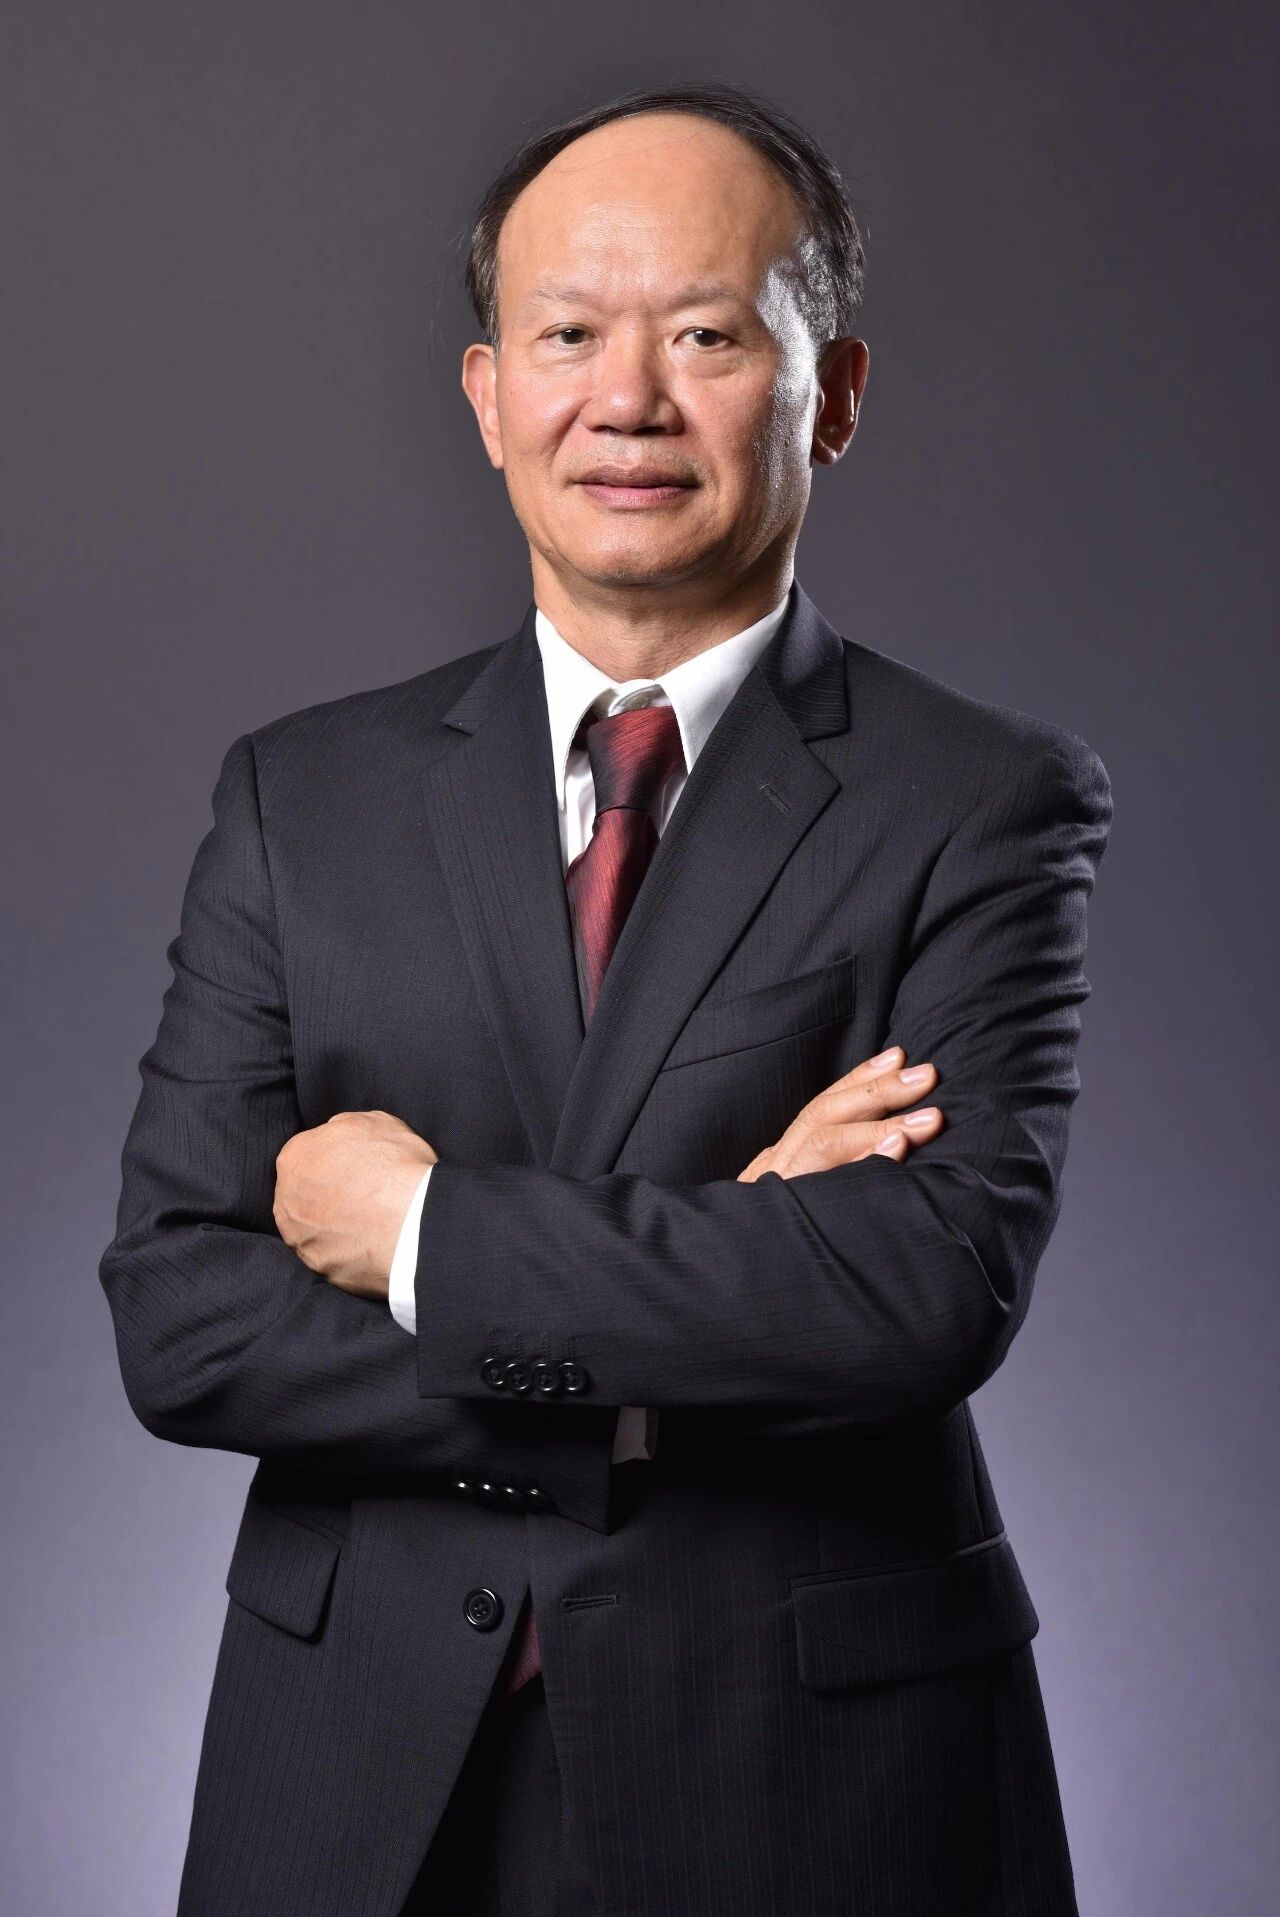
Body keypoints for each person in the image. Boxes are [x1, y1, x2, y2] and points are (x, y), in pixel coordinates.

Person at [99, 80, 1112, 1917]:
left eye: (708, 336)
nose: (628, 399)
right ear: (490, 396)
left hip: (813, 1782)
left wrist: (421, 1237)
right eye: (569, 334)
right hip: (354, 1773)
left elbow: (920, 1290)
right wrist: (708, 1290)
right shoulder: (300, 799)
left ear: (835, 392)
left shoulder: (983, 799)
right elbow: (181, 1317)